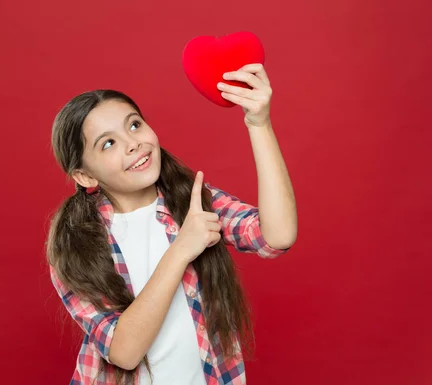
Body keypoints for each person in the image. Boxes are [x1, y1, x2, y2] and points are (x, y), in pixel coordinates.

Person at [46, 63, 297, 385]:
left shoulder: (191, 201)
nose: (133, 143)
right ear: (85, 176)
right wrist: (181, 250)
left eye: (134, 125)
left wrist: (258, 123)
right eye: (108, 143)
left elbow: (277, 236)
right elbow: (124, 351)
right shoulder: (76, 245)